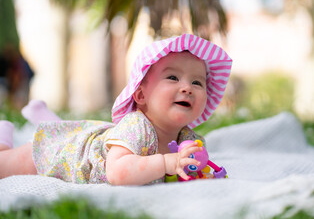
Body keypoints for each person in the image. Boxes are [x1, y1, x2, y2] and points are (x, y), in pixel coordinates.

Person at [0, 34, 232, 185]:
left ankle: (46, 118)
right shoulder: (137, 125)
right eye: (172, 77)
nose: (187, 88)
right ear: (140, 95)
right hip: (65, 155)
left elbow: (184, 172)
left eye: (197, 82)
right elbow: (118, 172)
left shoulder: (190, 139)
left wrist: (200, 173)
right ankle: (4, 138)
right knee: (4, 165)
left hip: (95, 137)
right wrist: (167, 163)